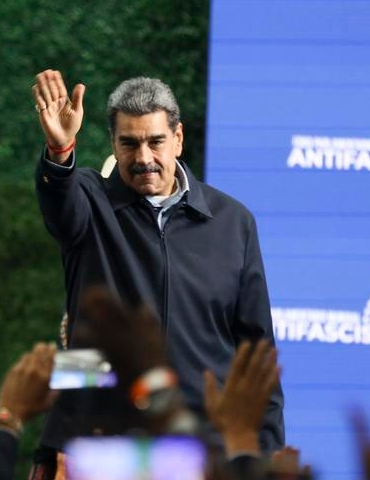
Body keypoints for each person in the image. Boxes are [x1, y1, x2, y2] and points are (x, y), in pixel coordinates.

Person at [30, 70, 284, 457]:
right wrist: (60, 150)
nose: (143, 158)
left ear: (178, 140)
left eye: (156, 142)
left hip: (202, 445)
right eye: (129, 144)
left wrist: (263, 453)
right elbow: (59, 203)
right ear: (113, 145)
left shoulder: (234, 221)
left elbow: (256, 350)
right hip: (99, 442)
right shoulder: (87, 199)